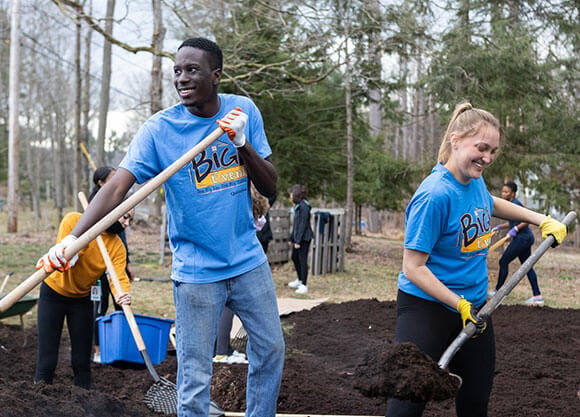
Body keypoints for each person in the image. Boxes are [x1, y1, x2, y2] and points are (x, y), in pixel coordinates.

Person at [37, 37, 285, 417]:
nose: (182, 79)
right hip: (197, 272)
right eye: (177, 71)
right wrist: (73, 239)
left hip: (248, 261)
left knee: (270, 351)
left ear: (216, 76)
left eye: (193, 70)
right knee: (194, 374)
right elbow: (118, 185)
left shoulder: (243, 111)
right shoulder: (160, 130)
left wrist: (243, 144)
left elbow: (270, 187)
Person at [386, 102, 567, 417]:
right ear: (455, 140)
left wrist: (541, 219)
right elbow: (413, 268)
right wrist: (458, 305)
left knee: (475, 402)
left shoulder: (474, 180)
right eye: (481, 148)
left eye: (493, 151)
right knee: (407, 405)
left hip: (475, 307)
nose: (488, 157)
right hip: (427, 307)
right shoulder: (434, 195)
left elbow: (489, 202)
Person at [34, 210, 133, 389]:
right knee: (47, 360)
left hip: (82, 300)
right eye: (125, 217)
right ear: (113, 210)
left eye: (131, 219)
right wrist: (72, 252)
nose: (128, 224)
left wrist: (122, 294)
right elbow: (63, 253)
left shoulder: (117, 246)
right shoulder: (74, 221)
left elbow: (118, 278)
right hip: (53, 294)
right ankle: (38, 398)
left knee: (81, 361)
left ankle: (84, 403)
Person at [213, 184, 270, 365]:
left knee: (223, 309)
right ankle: (221, 352)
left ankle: (225, 349)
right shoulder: (247, 217)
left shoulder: (236, 211)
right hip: (233, 266)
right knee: (226, 310)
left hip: (229, 262)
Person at [89, 166, 136, 363]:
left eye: (129, 220)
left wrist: (127, 264)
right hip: (97, 269)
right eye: (112, 178)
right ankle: (97, 350)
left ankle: (120, 347)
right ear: (101, 182)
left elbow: (121, 243)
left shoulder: (118, 220)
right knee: (98, 308)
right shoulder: (97, 207)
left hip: (116, 264)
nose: (126, 223)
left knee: (119, 304)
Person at [489, 181, 544, 306]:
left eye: (506, 192)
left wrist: (516, 229)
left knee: (503, 261)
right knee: (527, 266)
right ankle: (537, 296)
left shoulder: (516, 204)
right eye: (502, 192)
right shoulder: (510, 204)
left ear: (513, 193)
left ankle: (498, 292)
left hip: (523, 238)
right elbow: (513, 222)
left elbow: (526, 221)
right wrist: (500, 227)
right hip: (524, 238)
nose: (503, 194)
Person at [287, 184, 314, 294]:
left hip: (304, 238)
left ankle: (304, 285)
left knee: (302, 261)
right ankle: (299, 279)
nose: (290, 196)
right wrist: (292, 238)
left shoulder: (304, 207)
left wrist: (298, 241)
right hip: (298, 238)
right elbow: (296, 225)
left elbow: (302, 225)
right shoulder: (298, 206)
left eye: (291, 194)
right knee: (294, 257)